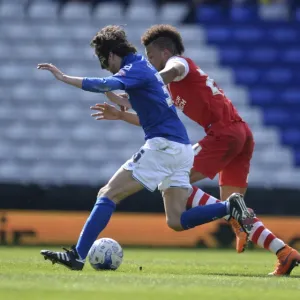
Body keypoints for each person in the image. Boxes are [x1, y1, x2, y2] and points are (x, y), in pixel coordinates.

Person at [37, 25, 252, 271]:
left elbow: (103, 83)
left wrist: (65, 78)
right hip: (180, 149)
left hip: (163, 146)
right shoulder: (144, 69)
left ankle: (77, 255)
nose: (108, 68)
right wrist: (120, 111)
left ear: (111, 55)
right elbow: (147, 114)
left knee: (108, 194)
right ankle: (230, 207)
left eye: (105, 62)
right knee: (176, 220)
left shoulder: (135, 68)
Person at [98, 24, 300, 276]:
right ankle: (284, 253)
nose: (149, 62)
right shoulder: (170, 87)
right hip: (239, 133)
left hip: (223, 133)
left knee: (171, 178)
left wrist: (142, 83)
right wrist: (120, 109)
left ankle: (233, 216)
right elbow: (147, 110)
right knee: (236, 210)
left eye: (150, 56)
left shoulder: (178, 64)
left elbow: (174, 70)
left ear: (164, 51)